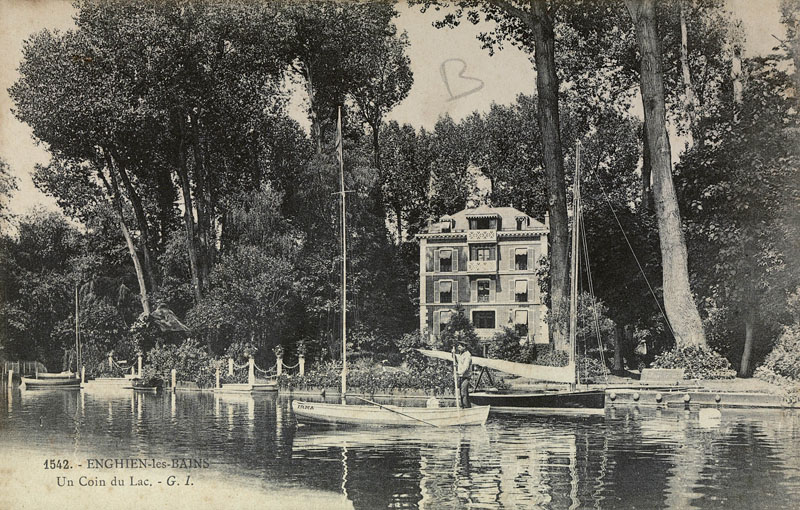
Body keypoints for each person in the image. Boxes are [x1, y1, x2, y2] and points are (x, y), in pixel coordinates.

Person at [455, 342, 472, 408]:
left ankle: (466, 407)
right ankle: (464, 406)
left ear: (464, 347)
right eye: (458, 346)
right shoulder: (461, 354)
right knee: (462, 392)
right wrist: (453, 355)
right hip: (461, 376)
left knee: (463, 393)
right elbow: (458, 362)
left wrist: (460, 372)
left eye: (460, 346)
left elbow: (466, 366)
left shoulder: (467, 355)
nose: (458, 347)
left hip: (466, 377)